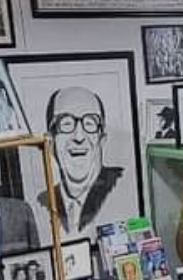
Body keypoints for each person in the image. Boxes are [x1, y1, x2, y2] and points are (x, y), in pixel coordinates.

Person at [40, 88, 124, 235]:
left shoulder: (123, 189)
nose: (79, 137)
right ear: (50, 142)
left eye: (90, 123)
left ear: (102, 139)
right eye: (66, 124)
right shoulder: (42, 202)